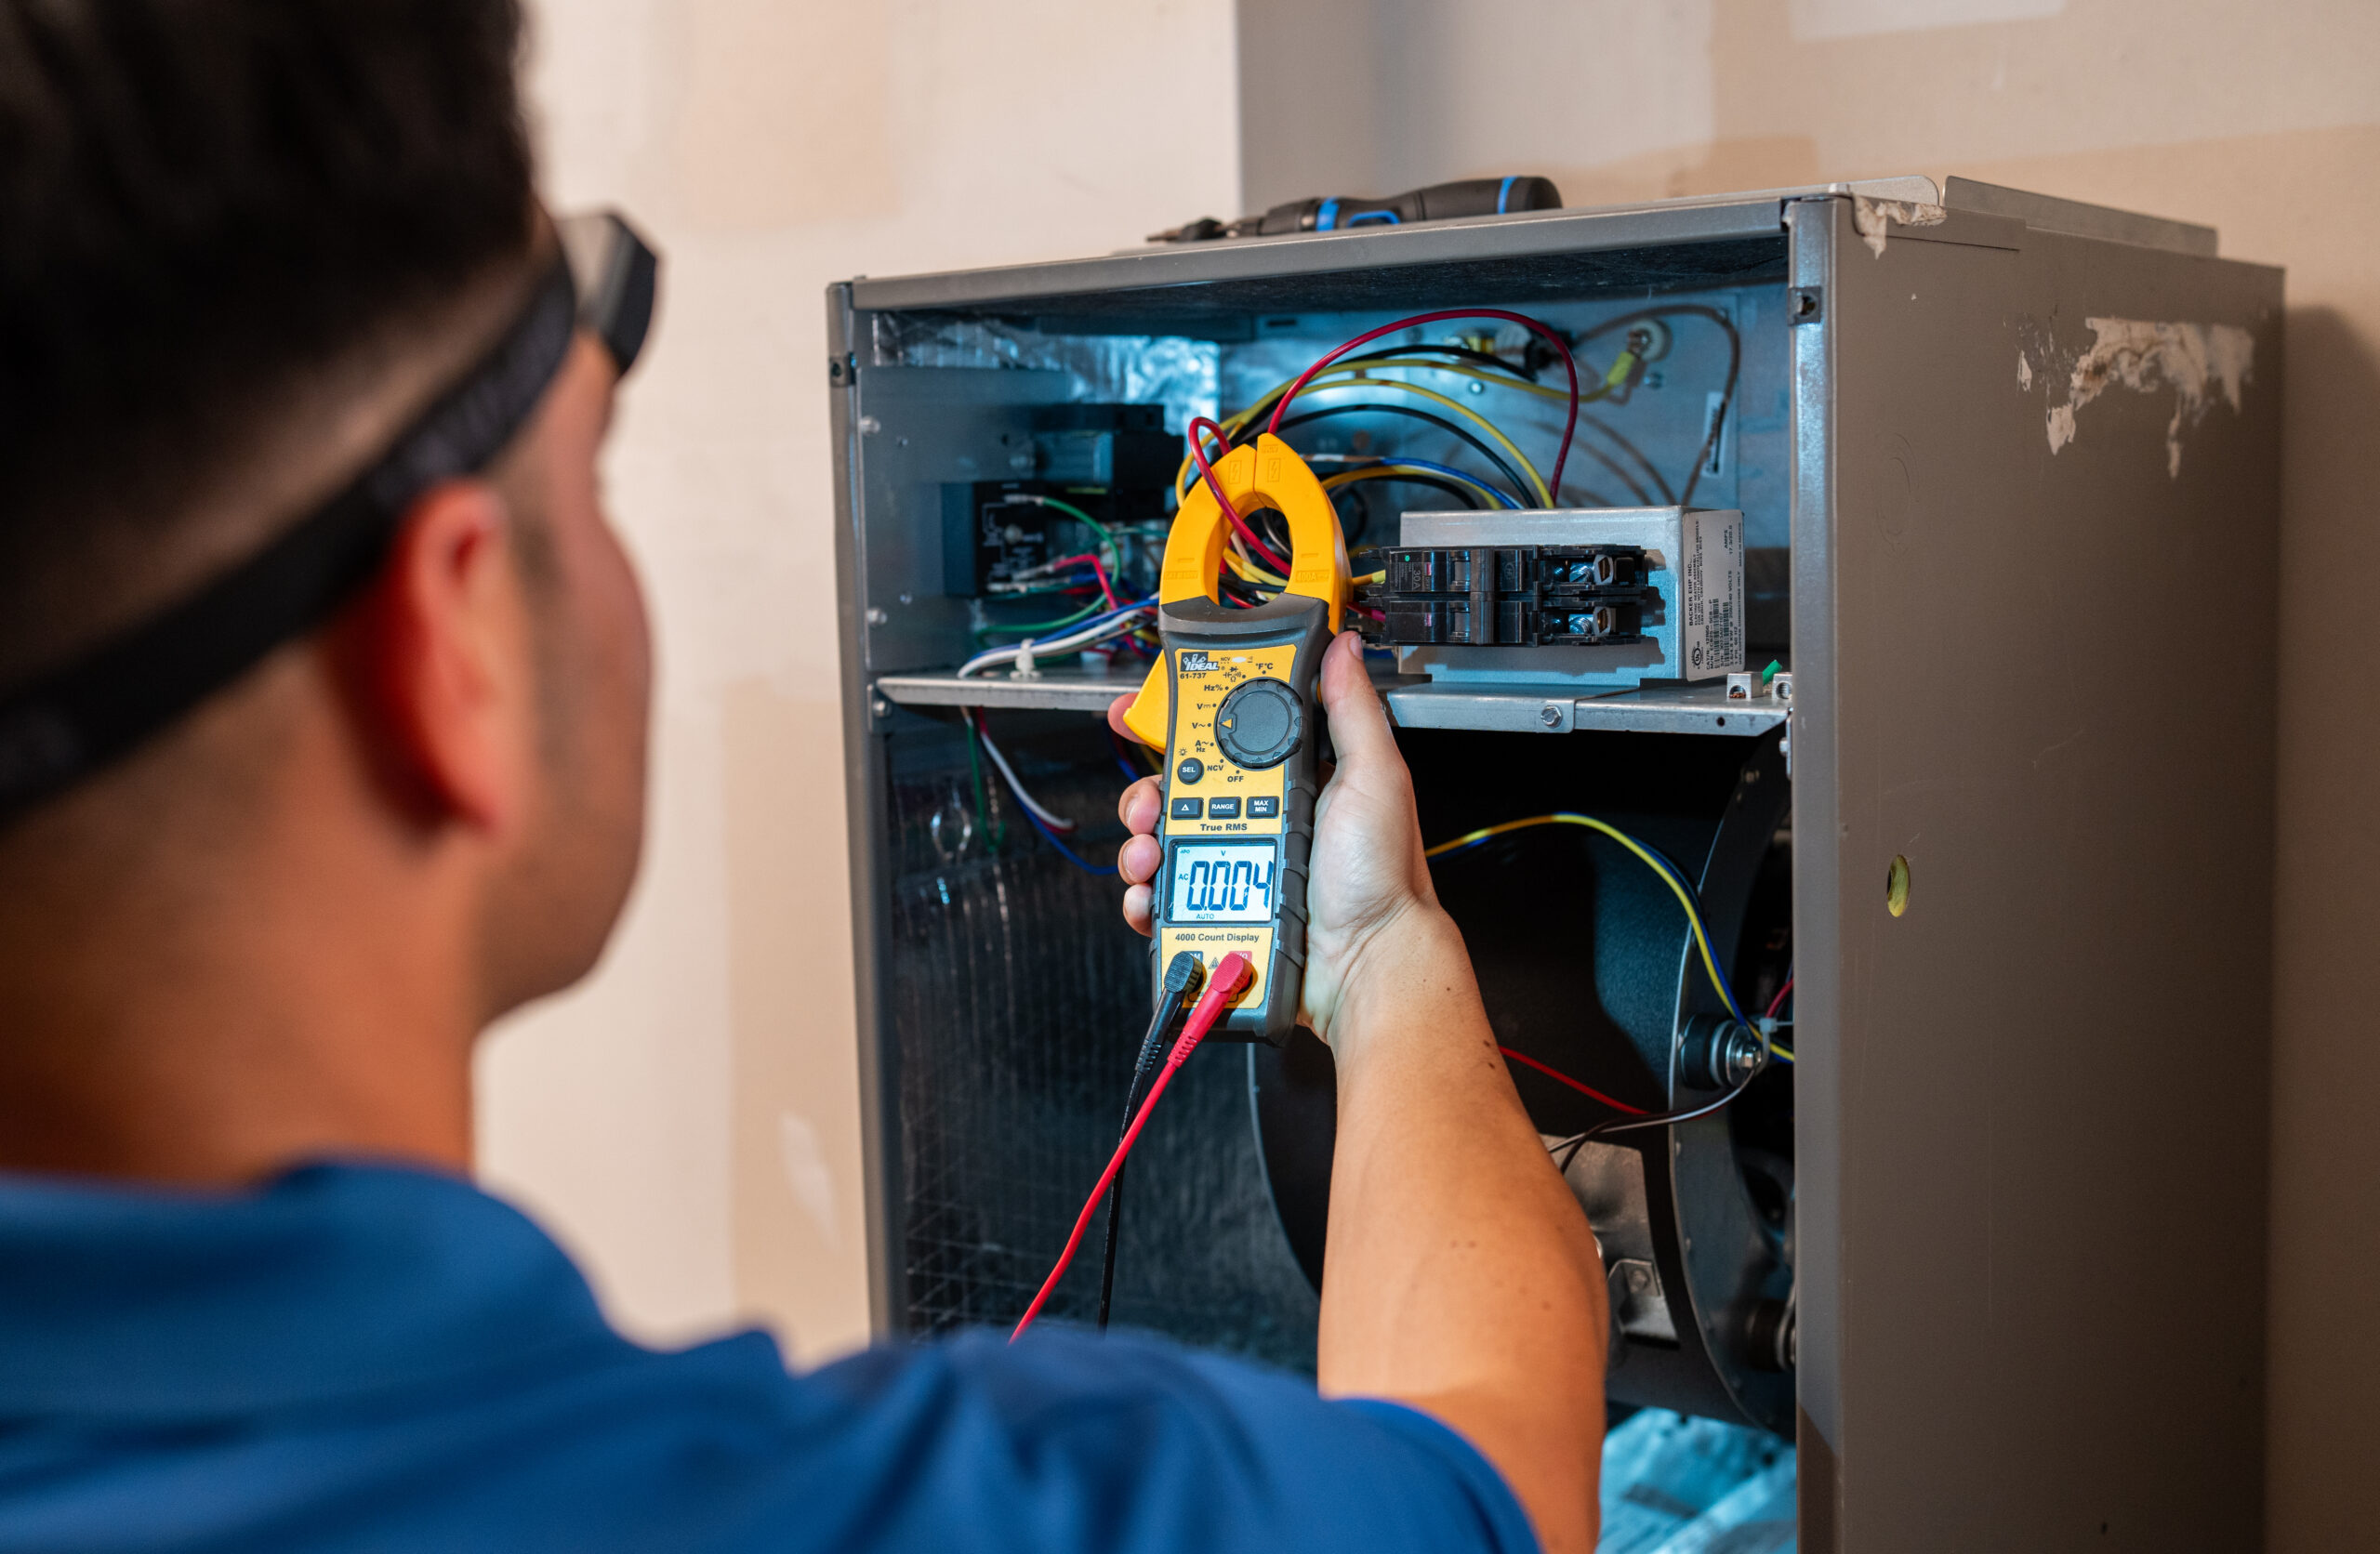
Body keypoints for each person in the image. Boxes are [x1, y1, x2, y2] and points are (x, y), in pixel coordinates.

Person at [0, 2, 1607, 1550]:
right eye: (589, 477)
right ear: (457, 642)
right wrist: (1381, 952)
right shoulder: (909, 1515)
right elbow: (1494, 1472)